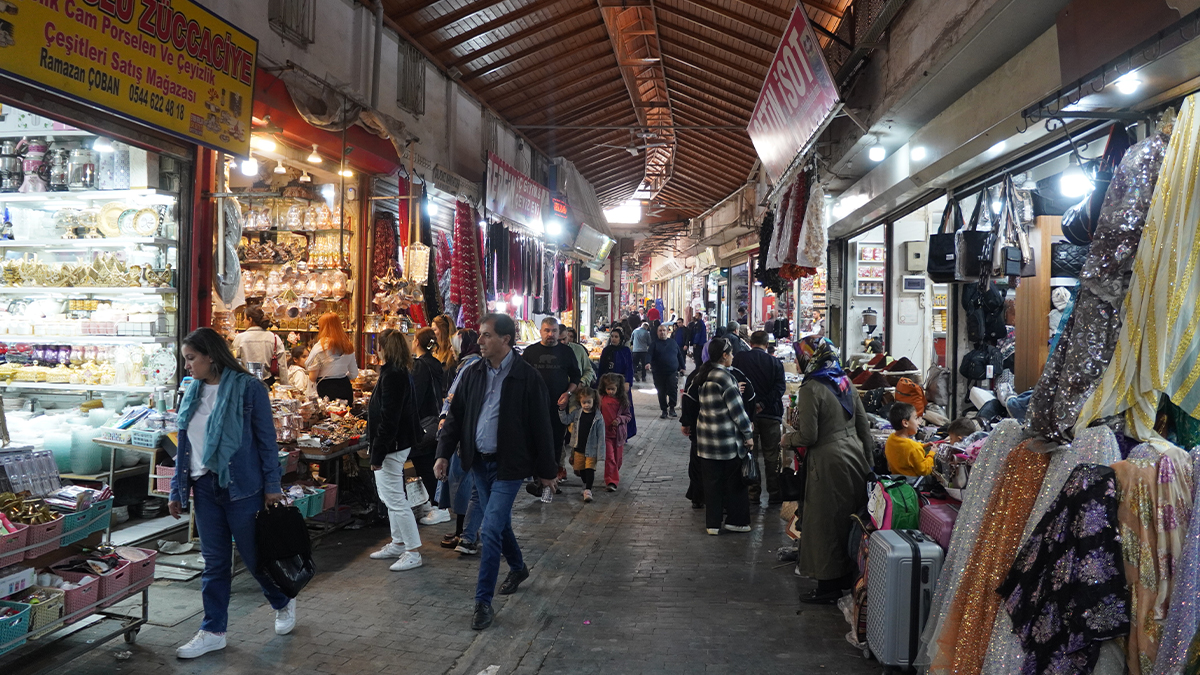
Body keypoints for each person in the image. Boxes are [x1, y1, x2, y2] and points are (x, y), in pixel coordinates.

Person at [168, 328, 295, 659]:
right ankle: (213, 630)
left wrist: (272, 486)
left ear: (211, 355)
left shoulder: (249, 388)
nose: (187, 366)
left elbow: (267, 443)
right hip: (204, 487)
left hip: (242, 486)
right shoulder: (190, 391)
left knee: (255, 558)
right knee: (214, 563)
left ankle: (282, 601)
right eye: (186, 360)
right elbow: (184, 443)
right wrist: (176, 489)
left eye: (191, 358)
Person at [433, 314, 558, 631]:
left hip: (509, 467)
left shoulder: (526, 377)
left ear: (505, 339)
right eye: (479, 334)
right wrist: (443, 454)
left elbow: (542, 427)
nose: (480, 341)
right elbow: (456, 417)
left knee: (488, 530)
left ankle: (482, 603)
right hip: (479, 463)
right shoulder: (473, 372)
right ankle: (518, 567)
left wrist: (547, 471)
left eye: (486, 335)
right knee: (498, 525)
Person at [783, 336, 874, 604]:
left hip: (828, 462)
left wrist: (787, 440)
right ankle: (848, 578)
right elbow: (863, 425)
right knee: (849, 519)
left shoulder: (812, 388)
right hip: (853, 457)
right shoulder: (843, 380)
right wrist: (868, 465)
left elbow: (809, 435)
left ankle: (827, 587)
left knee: (824, 524)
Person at [365, 330, 424, 571]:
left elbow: (390, 418)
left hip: (392, 445)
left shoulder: (393, 376)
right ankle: (399, 542)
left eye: (378, 346)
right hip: (395, 444)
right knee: (390, 497)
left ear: (384, 348)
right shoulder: (396, 372)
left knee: (395, 499)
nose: (376, 350)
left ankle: (412, 550)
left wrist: (377, 453)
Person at [682, 337, 754, 535]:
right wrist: (748, 434)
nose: (732, 357)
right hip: (726, 442)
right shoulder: (725, 378)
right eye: (730, 354)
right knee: (735, 483)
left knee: (712, 485)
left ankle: (712, 524)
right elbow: (737, 412)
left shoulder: (703, 375)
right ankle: (736, 521)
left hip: (706, 442)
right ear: (724, 356)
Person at [522, 317, 581, 491]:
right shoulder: (530, 352)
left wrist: (568, 393)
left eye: (554, 331)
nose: (550, 334)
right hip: (534, 406)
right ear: (540, 331)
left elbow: (576, 377)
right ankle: (538, 479)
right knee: (534, 441)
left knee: (555, 443)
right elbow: (522, 378)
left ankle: (551, 480)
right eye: (547, 330)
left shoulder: (566, 352)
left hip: (558, 407)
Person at [438, 329, 484, 555]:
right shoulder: (469, 364)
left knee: (466, 486)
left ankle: (467, 534)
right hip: (466, 435)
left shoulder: (472, 365)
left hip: (469, 438)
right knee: (468, 487)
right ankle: (467, 533)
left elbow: (455, 401)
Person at [732, 331, 787, 505]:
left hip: (747, 416)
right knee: (772, 456)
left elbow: (734, 383)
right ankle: (775, 492)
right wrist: (763, 404)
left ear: (750, 342)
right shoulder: (775, 362)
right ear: (766, 344)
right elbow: (780, 389)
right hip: (770, 415)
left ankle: (752, 493)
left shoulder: (739, 359)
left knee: (750, 454)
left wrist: (752, 404)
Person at [411, 328, 449, 525]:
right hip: (434, 417)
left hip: (424, 419)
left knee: (423, 462)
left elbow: (416, 394)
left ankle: (438, 505)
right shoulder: (435, 363)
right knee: (427, 461)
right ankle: (434, 502)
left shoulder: (420, 366)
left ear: (417, 342)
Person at [559, 387, 604, 502]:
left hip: (592, 448)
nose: (586, 405)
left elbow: (601, 435)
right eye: (584, 402)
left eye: (589, 402)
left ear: (594, 401)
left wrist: (601, 452)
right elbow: (565, 420)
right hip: (578, 447)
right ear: (580, 402)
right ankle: (585, 485)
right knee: (581, 469)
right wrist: (561, 410)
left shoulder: (598, 417)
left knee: (590, 468)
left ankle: (588, 489)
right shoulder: (577, 413)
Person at [306, 312, 359, 402]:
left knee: (328, 414)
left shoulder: (320, 348)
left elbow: (312, 377)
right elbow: (354, 373)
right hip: (345, 387)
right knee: (346, 414)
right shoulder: (348, 346)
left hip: (326, 389)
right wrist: (340, 376)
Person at [231, 306, 288, 387]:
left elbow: (234, 362)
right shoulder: (274, 338)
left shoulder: (240, 338)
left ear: (250, 320)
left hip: (244, 384)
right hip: (267, 384)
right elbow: (282, 366)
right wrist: (285, 386)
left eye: (244, 318)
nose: (243, 321)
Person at [597, 373, 632, 491]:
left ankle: (613, 475)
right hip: (605, 434)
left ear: (618, 388)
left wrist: (619, 419)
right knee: (610, 458)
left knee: (618, 460)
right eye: (608, 389)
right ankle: (611, 481)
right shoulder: (601, 399)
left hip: (619, 435)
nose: (610, 391)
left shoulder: (622, 401)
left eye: (613, 389)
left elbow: (628, 416)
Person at [647, 323, 686, 418]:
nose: (662, 332)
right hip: (658, 373)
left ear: (667, 332)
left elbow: (679, 355)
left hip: (672, 372)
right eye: (660, 331)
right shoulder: (654, 344)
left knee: (673, 390)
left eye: (664, 330)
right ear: (657, 333)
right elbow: (649, 355)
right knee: (661, 391)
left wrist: (682, 367)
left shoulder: (673, 343)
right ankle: (664, 410)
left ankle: (672, 408)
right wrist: (648, 363)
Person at [885, 402, 934, 477]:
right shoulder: (913, 447)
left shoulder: (891, 438)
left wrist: (922, 445)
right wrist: (931, 454)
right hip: (912, 484)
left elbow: (904, 447)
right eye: (915, 418)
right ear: (905, 423)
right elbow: (924, 471)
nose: (918, 423)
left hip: (896, 480)